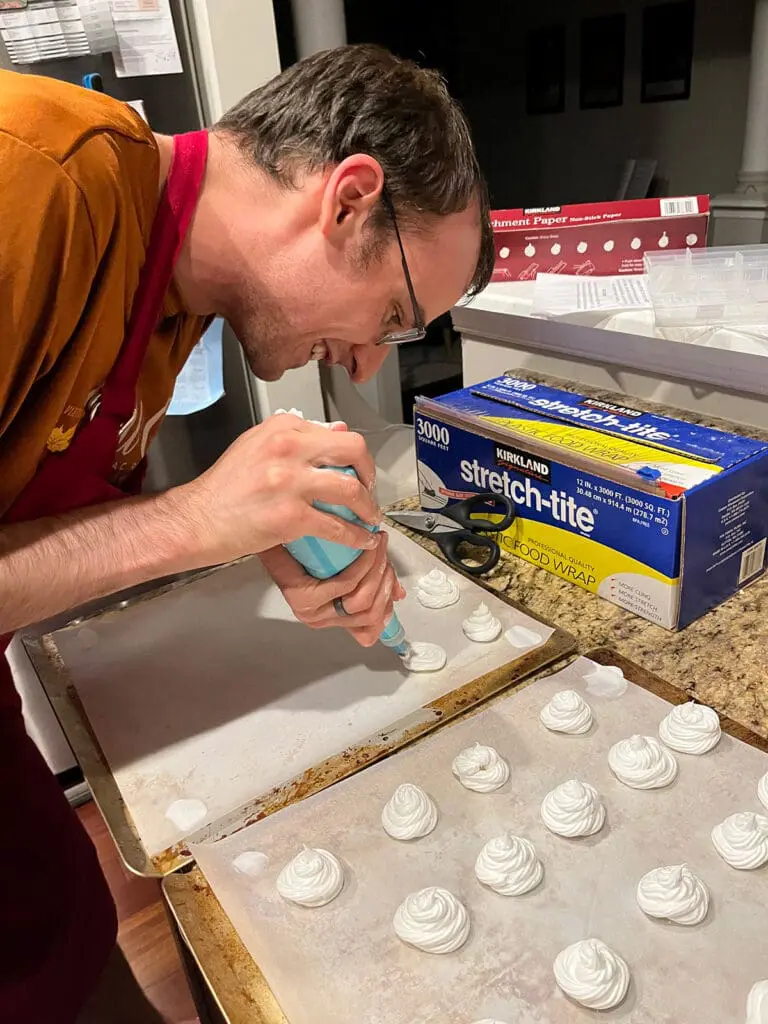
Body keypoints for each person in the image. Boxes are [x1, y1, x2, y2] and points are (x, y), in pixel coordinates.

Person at [0, 44, 493, 1022]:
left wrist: (248, 530)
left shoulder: (170, 297)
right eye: (390, 316)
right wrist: (189, 519)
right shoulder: (34, 177)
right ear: (347, 200)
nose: (362, 365)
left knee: (66, 926)